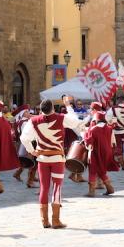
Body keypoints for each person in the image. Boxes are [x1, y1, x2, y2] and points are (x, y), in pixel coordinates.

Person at [20, 96, 84, 229]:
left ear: (41, 110)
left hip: (42, 159)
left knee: (44, 188)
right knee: (57, 188)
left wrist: (31, 150)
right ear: (53, 108)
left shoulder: (34, 121)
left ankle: (44, 220)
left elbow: (24, 138)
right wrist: (68, 106)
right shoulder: (61, 118)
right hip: (57, 159)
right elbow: (75, 121)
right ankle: (56, 220)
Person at [83, 111, 117, 197]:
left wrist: (84, 135)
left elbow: (89, 144)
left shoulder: (92, 129)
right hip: (107, 152)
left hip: (96, 152)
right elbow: (112, 142)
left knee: (92, 170)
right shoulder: (109, 128)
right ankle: (110, 188)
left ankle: (91, 191)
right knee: (101, 170)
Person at [106, 99, 124, 171]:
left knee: (118, 148)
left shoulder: (112, 109)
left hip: (116, 131)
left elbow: (107, 118)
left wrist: (112, 122)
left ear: (117, 102)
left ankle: (122, 165)